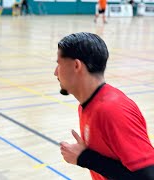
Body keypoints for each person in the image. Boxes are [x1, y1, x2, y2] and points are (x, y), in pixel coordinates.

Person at [55, 32, 154, 179]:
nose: (55, 72)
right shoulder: (86, 105)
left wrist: (84, 158)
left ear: (76, 65)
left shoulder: (112, 110)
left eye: (59, 64)